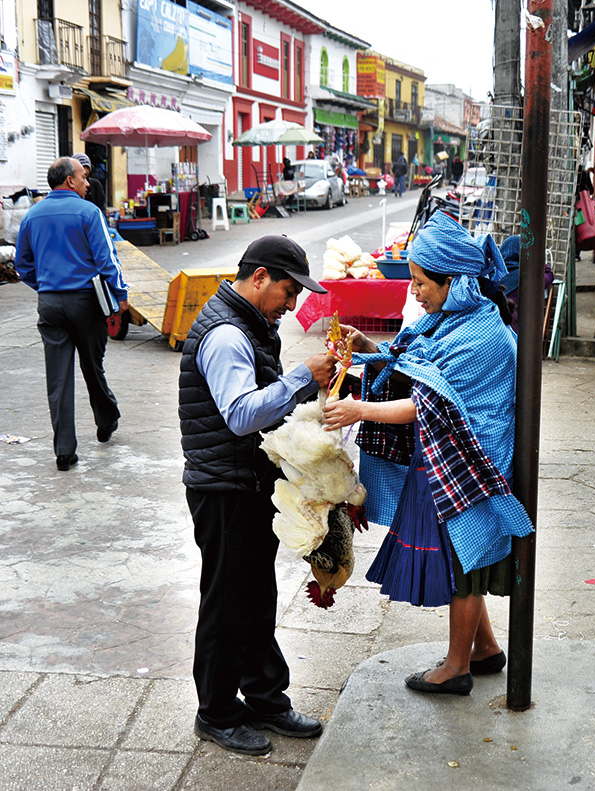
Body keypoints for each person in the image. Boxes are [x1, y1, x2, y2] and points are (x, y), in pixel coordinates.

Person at [323, 211, 534, 697]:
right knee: (465, 557)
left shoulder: (481, 336)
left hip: (471, 464)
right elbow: (413, 363)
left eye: (420, 282)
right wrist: (367, 346)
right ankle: (485, 649)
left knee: (464, 562)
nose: (413, 291)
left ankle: (456, 667)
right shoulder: (454, 319)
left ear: (452, 281)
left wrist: (359, 409)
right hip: (447, 458)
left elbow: (425, 404)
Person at [179, 235, 336, 756]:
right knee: (227, 602)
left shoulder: (251, 322)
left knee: (254, 596)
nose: (291, 305)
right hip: (223, 487)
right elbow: (241, 413)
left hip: (247, 481)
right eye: (289, 292)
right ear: (261, 277)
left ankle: (265, 698)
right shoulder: (226, 334)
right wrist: (301, 378)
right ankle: (217, 713)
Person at [14, 157, 128, 471]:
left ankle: (64, 451)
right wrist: (120, 294)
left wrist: (45, 287)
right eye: (83, 177)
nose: (87, 183)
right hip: (86, 301)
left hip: (50, 303)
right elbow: (107, 260)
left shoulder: (32, 215)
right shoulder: (88, 212)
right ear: (69, 181)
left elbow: (22, 264)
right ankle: (106, 419)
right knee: (93, 365)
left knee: (58, 377)